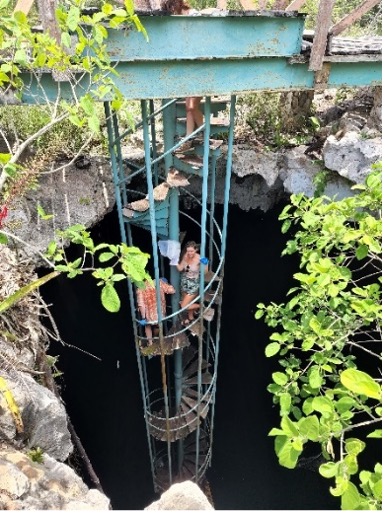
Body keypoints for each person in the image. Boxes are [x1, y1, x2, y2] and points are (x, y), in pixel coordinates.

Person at [161, 0, 204, 152]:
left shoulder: (193, 15)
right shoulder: (175, 21)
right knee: (188, 107)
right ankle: (189, 139)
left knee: (192, 106)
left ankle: (205, 132)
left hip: (203, 68)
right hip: (189, 69)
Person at [174, 241, 208, 325]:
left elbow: (205, 273)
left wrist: (206, 264)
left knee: (183, 306)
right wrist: (174, 262)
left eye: (191, 251)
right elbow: (180, 268)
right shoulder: (186, 256)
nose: (189, 253)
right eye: (188, 251)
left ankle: (200, 306)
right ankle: (191, 317)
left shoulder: (199, 258)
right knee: (189, 303)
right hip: (184, 282)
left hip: (193, 284)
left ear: (196, 250)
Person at [136, 278, 175, 345]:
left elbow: (141, 304)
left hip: (149, 313)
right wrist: (166, 284)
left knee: (147, 325)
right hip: (160, 312)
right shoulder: (158, 282)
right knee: (158, 325)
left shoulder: (140, 288)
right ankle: (158, 339)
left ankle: (151, 343)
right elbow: (172, 291)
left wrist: (143, 317)